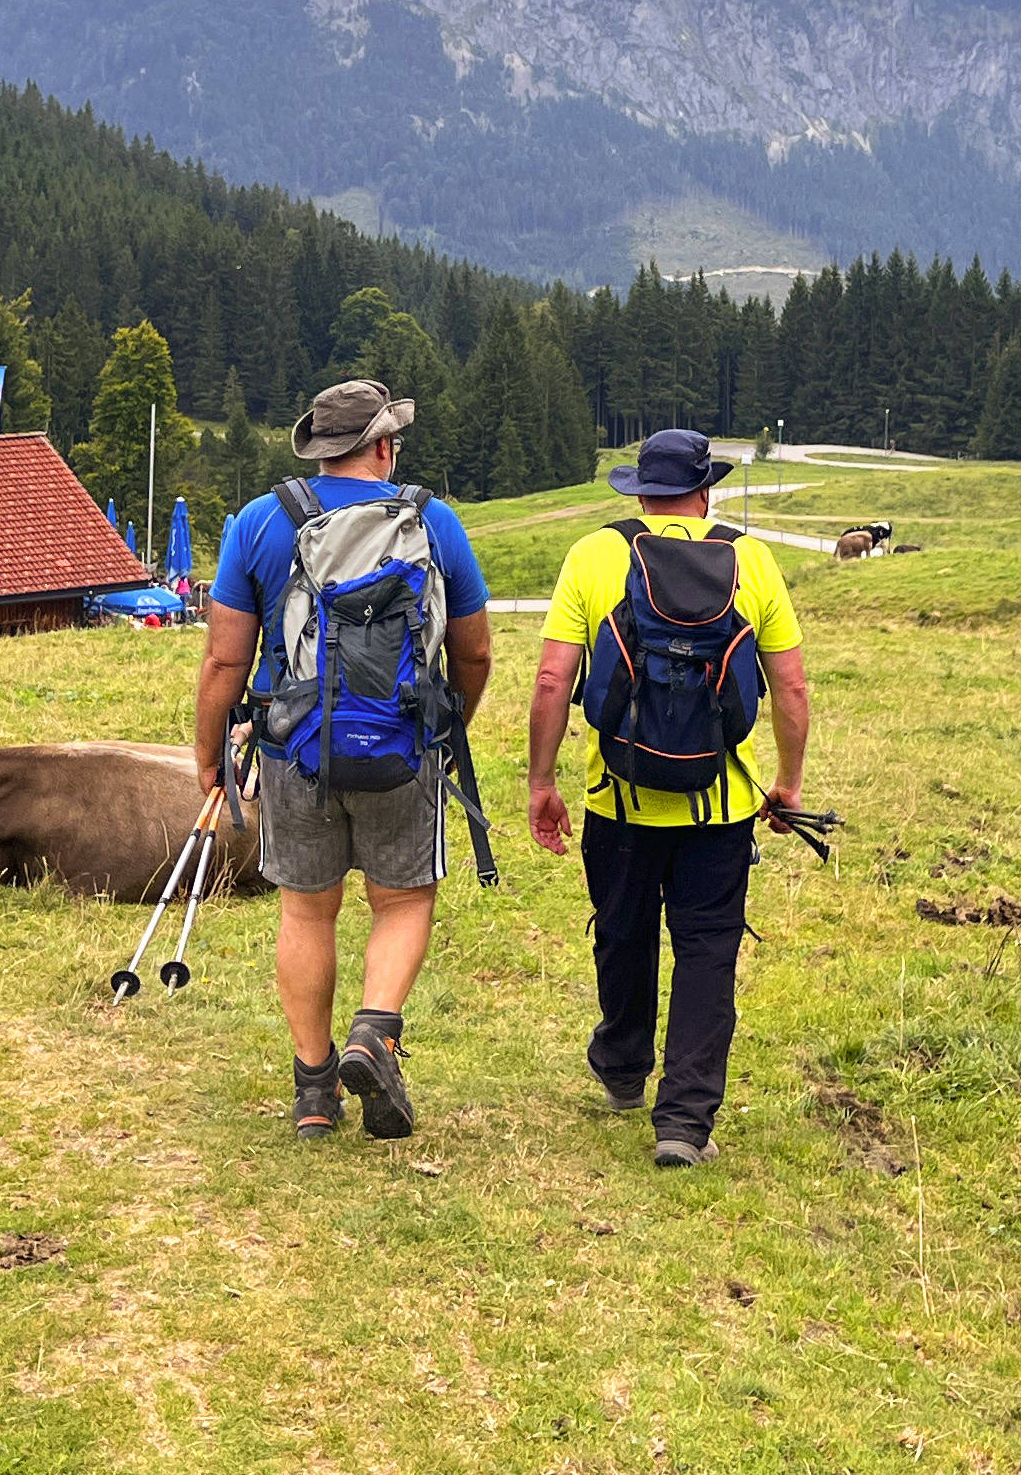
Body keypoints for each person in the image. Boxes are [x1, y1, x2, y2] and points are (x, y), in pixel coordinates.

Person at [191, 379, 495, 1142]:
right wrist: (445, 723)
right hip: (404, 747)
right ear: (384, 446)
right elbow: (477, 651)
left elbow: (224, 661)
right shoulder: (435, 522)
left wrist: (209, 754)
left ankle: (314, 1091)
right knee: (400, 902)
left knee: (305, 909)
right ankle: (375, 1033)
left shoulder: (262, 521)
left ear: (322, 445)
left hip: (295, 751)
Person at [523, 427, 813, 1170]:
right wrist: (787, 782)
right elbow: (791, 686)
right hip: (719, 805)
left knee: (622, 931)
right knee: (707, 952)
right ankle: (683, 1120)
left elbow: (555, 679)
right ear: (704, 490)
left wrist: (542, 779)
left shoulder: (595, 553)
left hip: (616, 796)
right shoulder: (751, 560)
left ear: (639, 492)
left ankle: (623, 1065)